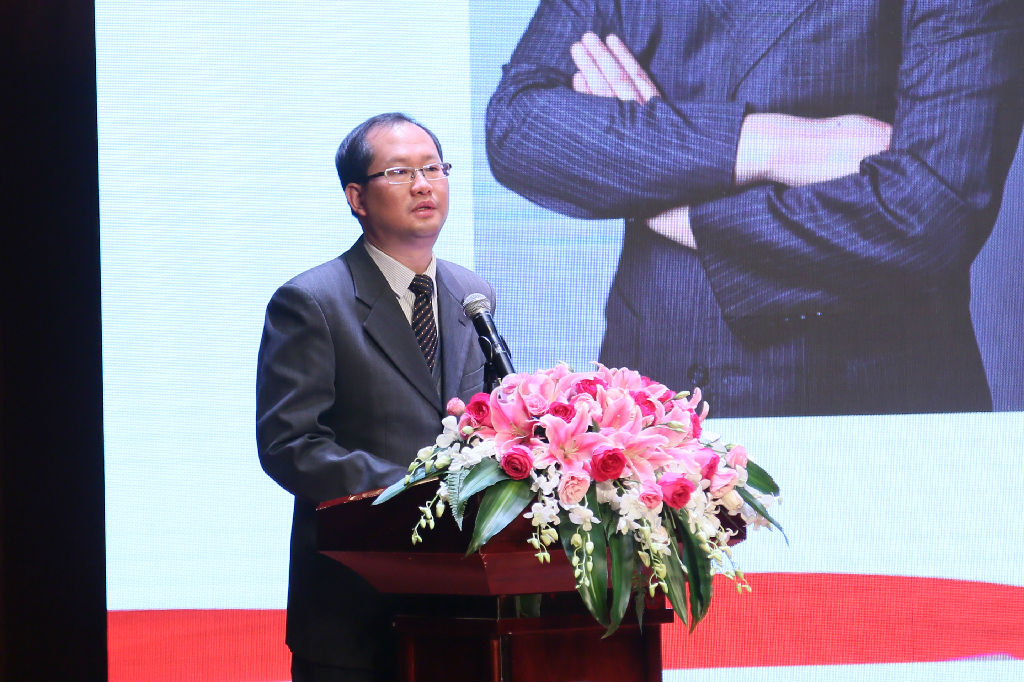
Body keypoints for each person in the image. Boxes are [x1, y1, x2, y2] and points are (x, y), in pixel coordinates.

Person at [486, 0, 1024, 417]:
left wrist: (664, 198)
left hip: (856, 410)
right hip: (648, 399)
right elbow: (519, 127)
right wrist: (778, 144)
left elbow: (929, 214)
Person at [256, 113, 495, 681]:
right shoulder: (312, 301)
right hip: (354, 611)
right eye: (399, 172)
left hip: (461, 612)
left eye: (433, 168)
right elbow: (291, 444)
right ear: (356, 197)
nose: (423, 185)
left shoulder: (472, 294)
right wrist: (412, 492)